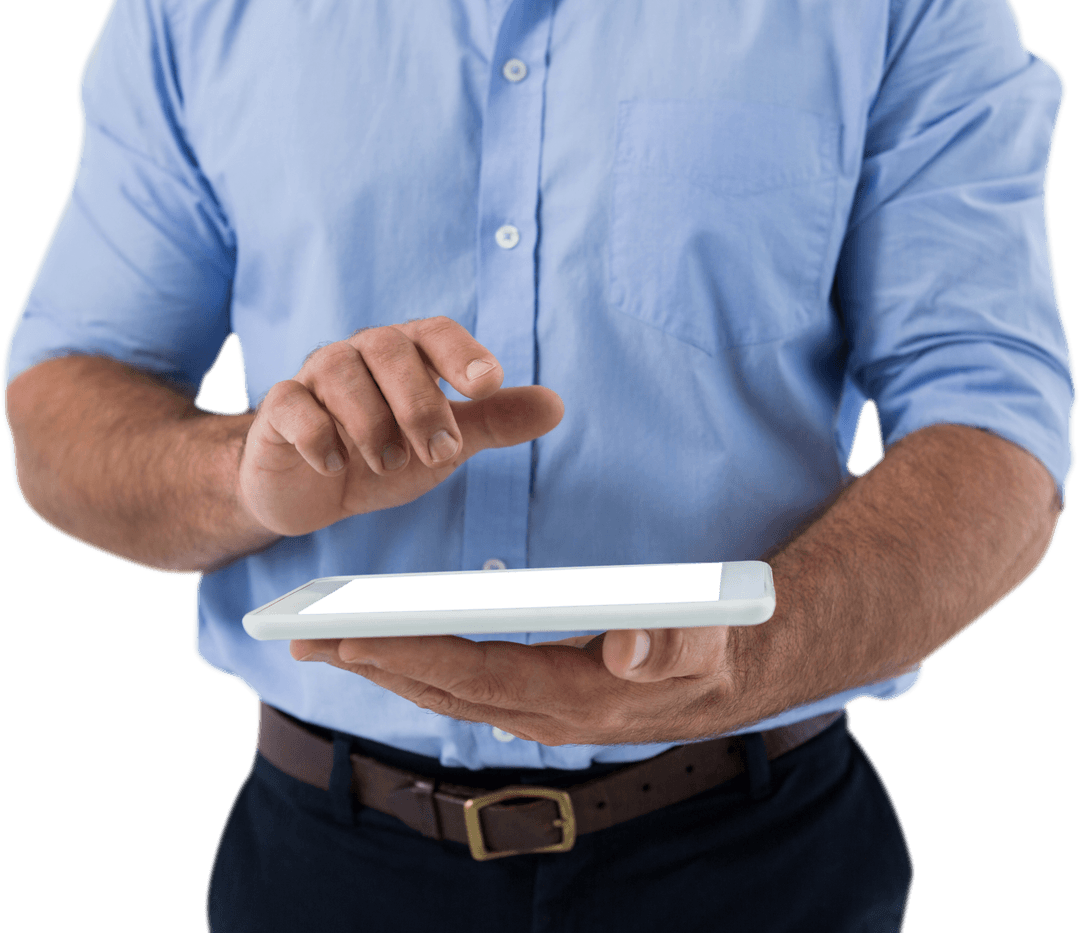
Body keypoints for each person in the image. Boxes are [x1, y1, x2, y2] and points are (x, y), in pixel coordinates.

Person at [2, 0, 1074, 930]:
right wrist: (246, 472)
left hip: (758, 862)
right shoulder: (194, 14)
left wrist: (748, 663)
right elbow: (64, 409)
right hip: (325, 869)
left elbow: (998, 423)